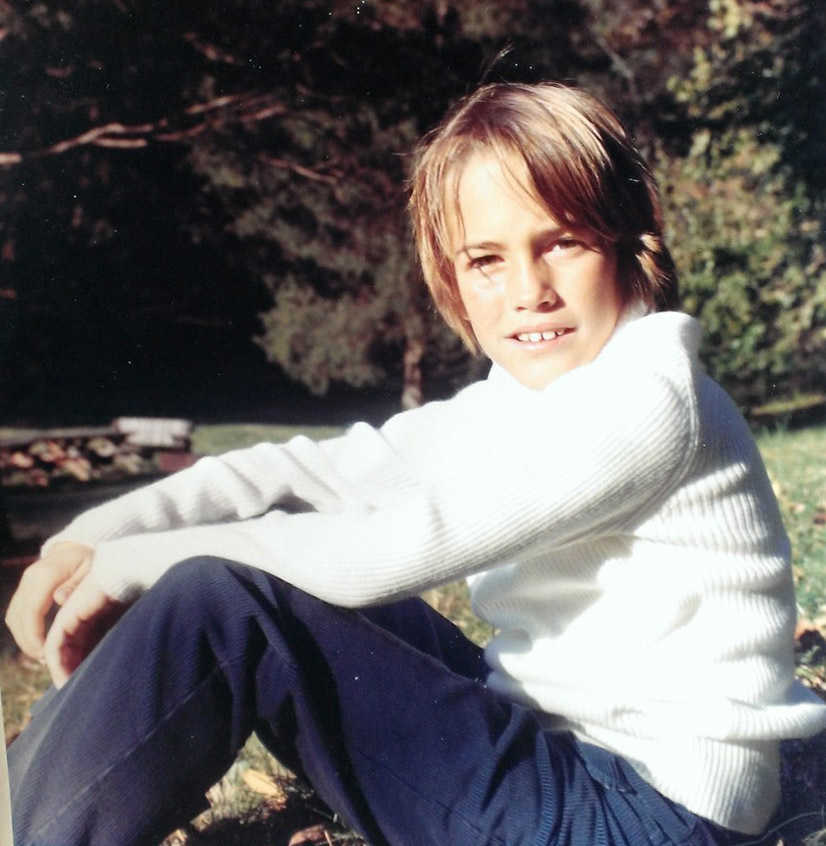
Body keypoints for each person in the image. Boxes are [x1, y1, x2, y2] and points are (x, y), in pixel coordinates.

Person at [6, 81, 826, 846]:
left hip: (651, 814)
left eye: (563, 243)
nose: (529, 290)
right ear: (451, 276)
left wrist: (135, 566)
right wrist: (95, 536)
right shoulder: (534, 395)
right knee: (271, 557)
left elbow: (389, 550)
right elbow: (316, 473)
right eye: (487, 259)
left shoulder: (647, 401)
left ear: (626, 243)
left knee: (228, 603)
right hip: (582, 757)